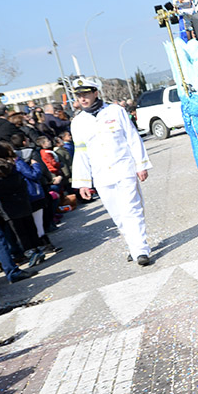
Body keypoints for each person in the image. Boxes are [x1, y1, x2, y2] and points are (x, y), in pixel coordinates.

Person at [71, 77, 153, 265]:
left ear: (95, 93)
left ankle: (141, 250)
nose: (82, 98)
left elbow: (132, 137)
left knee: (132, 209)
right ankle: (133, 246)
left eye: (86, 94)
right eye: (79, 95)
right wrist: (83, 183)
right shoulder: (78, 122)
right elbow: (81, 152)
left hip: (124, 168)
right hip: (101, 175)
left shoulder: (115, 111)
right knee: (117, 214)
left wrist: (141, 164)